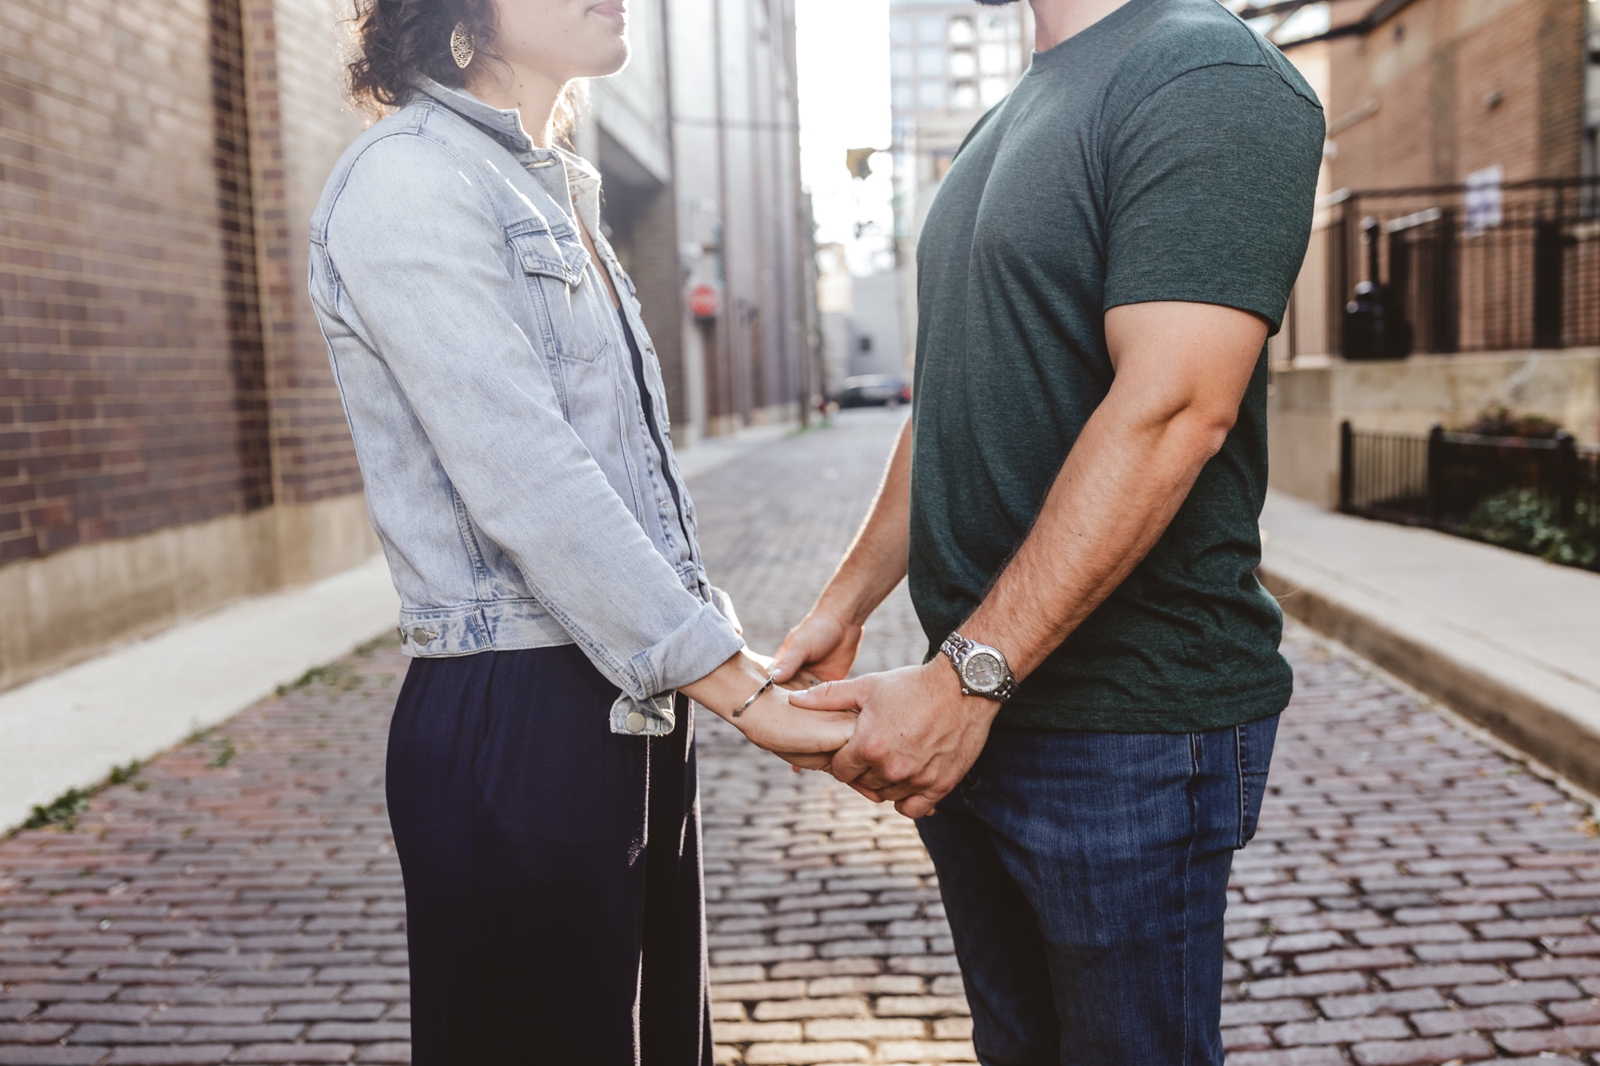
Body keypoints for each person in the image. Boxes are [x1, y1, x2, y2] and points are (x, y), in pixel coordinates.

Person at [774, 0, 1325, 1060]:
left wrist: (968, 676)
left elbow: (1173, 409)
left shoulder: (1205, 72)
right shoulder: (1013, 111)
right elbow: (949, 400)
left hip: (1123, 724)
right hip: (978, 709)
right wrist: (843, 605)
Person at [308, 2, 854, 1062]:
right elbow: (530, 479)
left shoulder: (552, 189)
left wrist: (716, 657)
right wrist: (736, 688)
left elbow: (623, 476)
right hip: (515, 716)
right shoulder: (408, 180)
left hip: (630, 702)